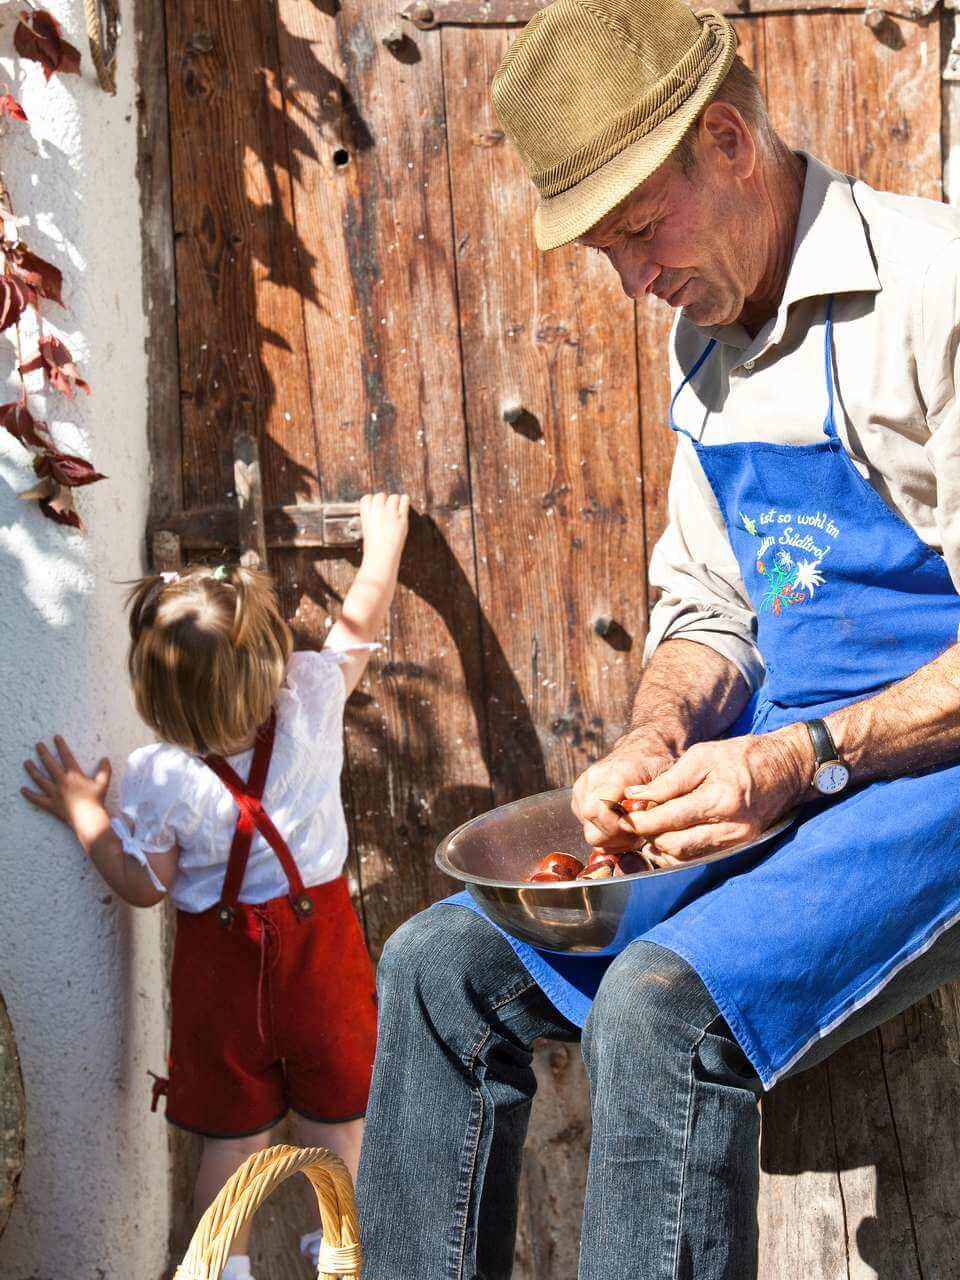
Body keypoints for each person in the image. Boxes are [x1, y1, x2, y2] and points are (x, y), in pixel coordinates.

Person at [354, 3, 960, 1278]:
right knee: (434, 966)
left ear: (728, 140)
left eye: (638, 230)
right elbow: (710, 608)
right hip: (798, 762)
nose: (634, 282)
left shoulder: (935, 289)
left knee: (660, 1000)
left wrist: (799, 761)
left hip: (931, 767)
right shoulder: (706, 338)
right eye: (609, 253)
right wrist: (661, 728)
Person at [21, 492, 409, 1280]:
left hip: (220, 979)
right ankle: (343, 1258)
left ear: (154, 695)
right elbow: (359, 626)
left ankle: (222, 1270)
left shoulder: (157, 776)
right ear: (270, 665)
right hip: (322, 962)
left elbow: (142, 887)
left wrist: (85, 813)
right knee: (339, 1129)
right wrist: (381, 546)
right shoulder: (309, 701)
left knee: (231, 1145)